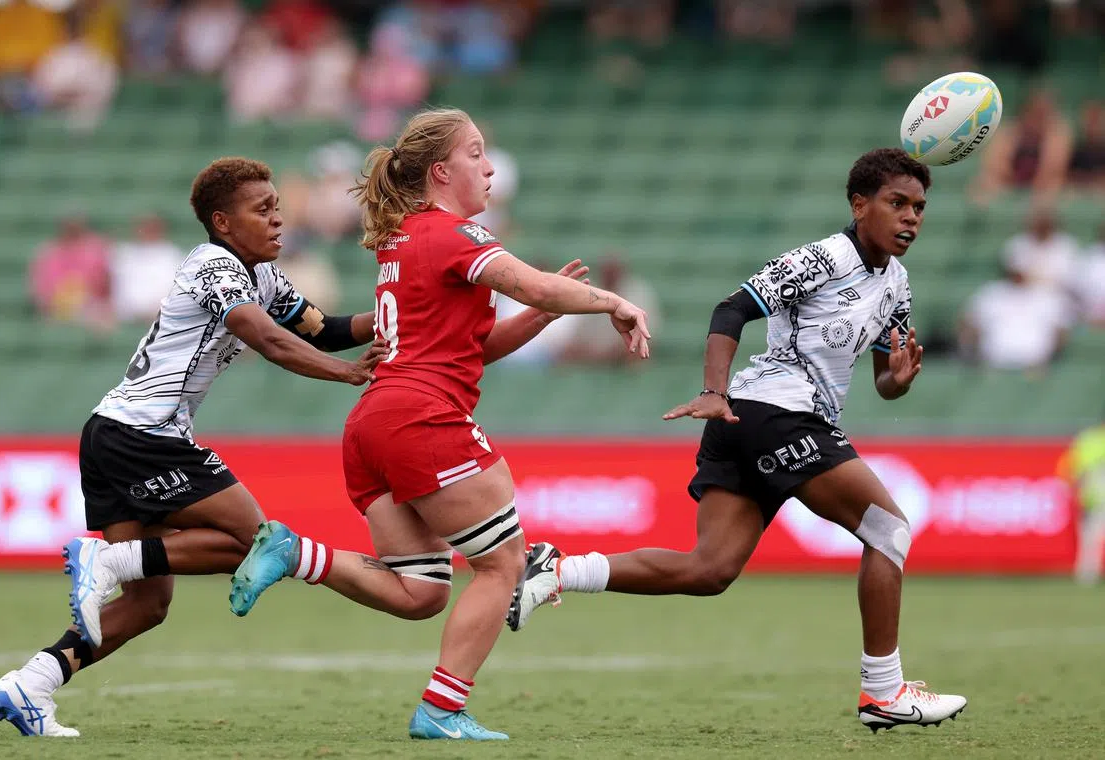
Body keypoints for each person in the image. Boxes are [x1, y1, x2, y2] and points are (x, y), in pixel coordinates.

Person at [226, 107, 652, 741]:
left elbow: (470, 348)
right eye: (476, 153)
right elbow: (529, 283)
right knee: (504, 565)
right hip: (424, 418)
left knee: (421, 591)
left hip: (374, 422)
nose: (487, 167)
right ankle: (441, 711)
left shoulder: (405, 242)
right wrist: (610, 301)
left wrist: (545, 314)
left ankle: (295, 553)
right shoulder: (455, 235)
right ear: (441, 171)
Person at [509, 148, 968, 733]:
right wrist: (714, 390)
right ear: (859, 204)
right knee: (889, 529)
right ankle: (883, 691)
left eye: (920, 208)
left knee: (710, 571)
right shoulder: (823, 258)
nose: (910, 218)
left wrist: (896, 381)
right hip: (771, 412)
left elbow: (883, 378)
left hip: (759, 421)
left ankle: (556, 571)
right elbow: (731, 309)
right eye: (897, 203)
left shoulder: (897, 285)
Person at [0, 157, 388, 737]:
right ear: (223, 222)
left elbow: (323, 327)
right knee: (261, 542)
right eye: (263, 209)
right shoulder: (213, 265)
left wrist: (401, 317)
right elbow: (266, 339)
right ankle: (108, 561)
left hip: (115, 434)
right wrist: (346, 375)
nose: (279, 219)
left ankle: (32, 683)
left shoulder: (264, 277)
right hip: (144, 437)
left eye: (279, 207)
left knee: (149, 605)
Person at [1063, 419, 1105, 585]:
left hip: (1092, 498)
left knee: (1089, 538)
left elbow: (1074, 469)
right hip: (1093, 499)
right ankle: (1087, 575)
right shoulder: (1088, 440)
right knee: (1089, 538)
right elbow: (1073, 468)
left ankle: (1087, 575)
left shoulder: (1087, 440)